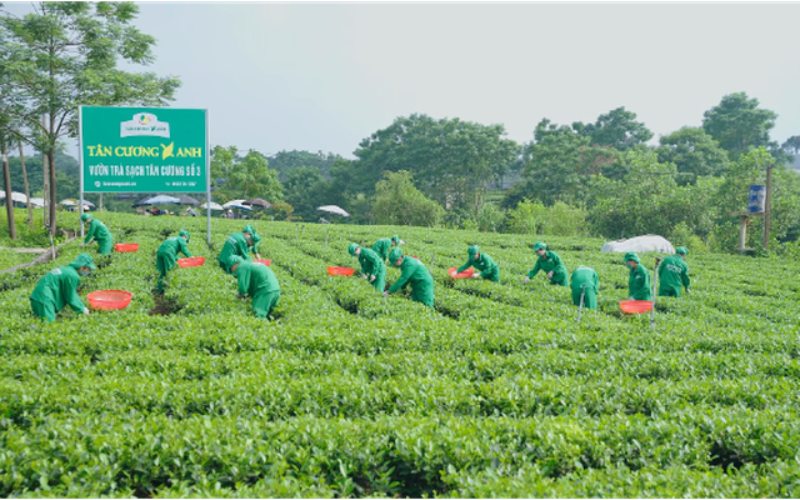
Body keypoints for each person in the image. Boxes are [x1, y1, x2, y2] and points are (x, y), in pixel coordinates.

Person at [30, 253, 96, 322]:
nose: (89, 272)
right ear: (82, 267)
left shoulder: (67, 270)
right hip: (45, 299)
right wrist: (82, 309)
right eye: (89, 269)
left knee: (40, 322)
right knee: (49, 326)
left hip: (38, 297)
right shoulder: (73, 276)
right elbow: (71, 296)